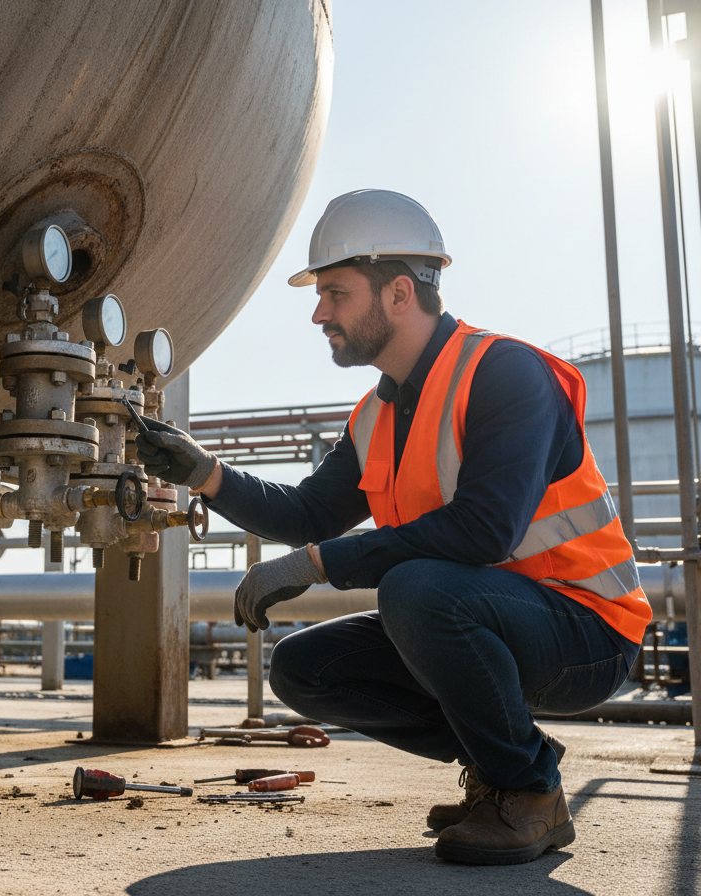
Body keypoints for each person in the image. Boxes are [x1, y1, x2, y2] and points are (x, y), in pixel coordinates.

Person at [134, 189, 649, 866]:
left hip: (588, 629)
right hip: (478, 618)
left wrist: (317, 566)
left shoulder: (507, 375)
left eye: (336, 294)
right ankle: (508, 762)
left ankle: (528, 793)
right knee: (305, 669)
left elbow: (484, 532)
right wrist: (205, 473)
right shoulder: (375, 414)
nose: (319, 313)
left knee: (414, 590)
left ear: (400, 294)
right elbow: (307, 514)